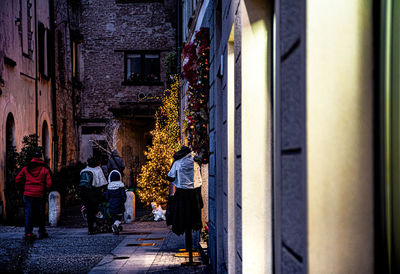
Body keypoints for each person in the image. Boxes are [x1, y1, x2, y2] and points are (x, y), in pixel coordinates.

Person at [167, 146, 203, 265]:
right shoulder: (195, 161)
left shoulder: (177, 163)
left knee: (183, 219)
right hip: (195, 194)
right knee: (194, 219)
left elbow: (170, 177)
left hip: (182, 195)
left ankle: (189, 250)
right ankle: (191, 254)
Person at [15, 150, 52, 241]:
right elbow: (49, 184)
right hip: (39, 194)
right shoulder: (45, 169)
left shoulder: (26, 168)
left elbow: (17, 179)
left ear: (32, 158)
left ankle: (28, 233)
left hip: (28, 194)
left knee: (28, 214)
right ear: (41, 157)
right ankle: (42, 232)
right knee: (40, 213)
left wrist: (25, 184)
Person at [79, 157, 108, 235]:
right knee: (95, 210)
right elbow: (103, 183)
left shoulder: (84, 170)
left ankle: (90, 228)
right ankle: (97, 225)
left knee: (89, 211)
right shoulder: (98, 170)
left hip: (84, 193)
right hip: (94, 193)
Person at [105, 170, 126, 235]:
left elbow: (107, 197)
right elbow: (123, 196)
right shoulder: (121, 186)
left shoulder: (109, 187)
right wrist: (123, 201)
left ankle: (114, 229)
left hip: (112, 204)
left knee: (114, 217)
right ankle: (115, 225)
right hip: (119, 204)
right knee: (119, 217)